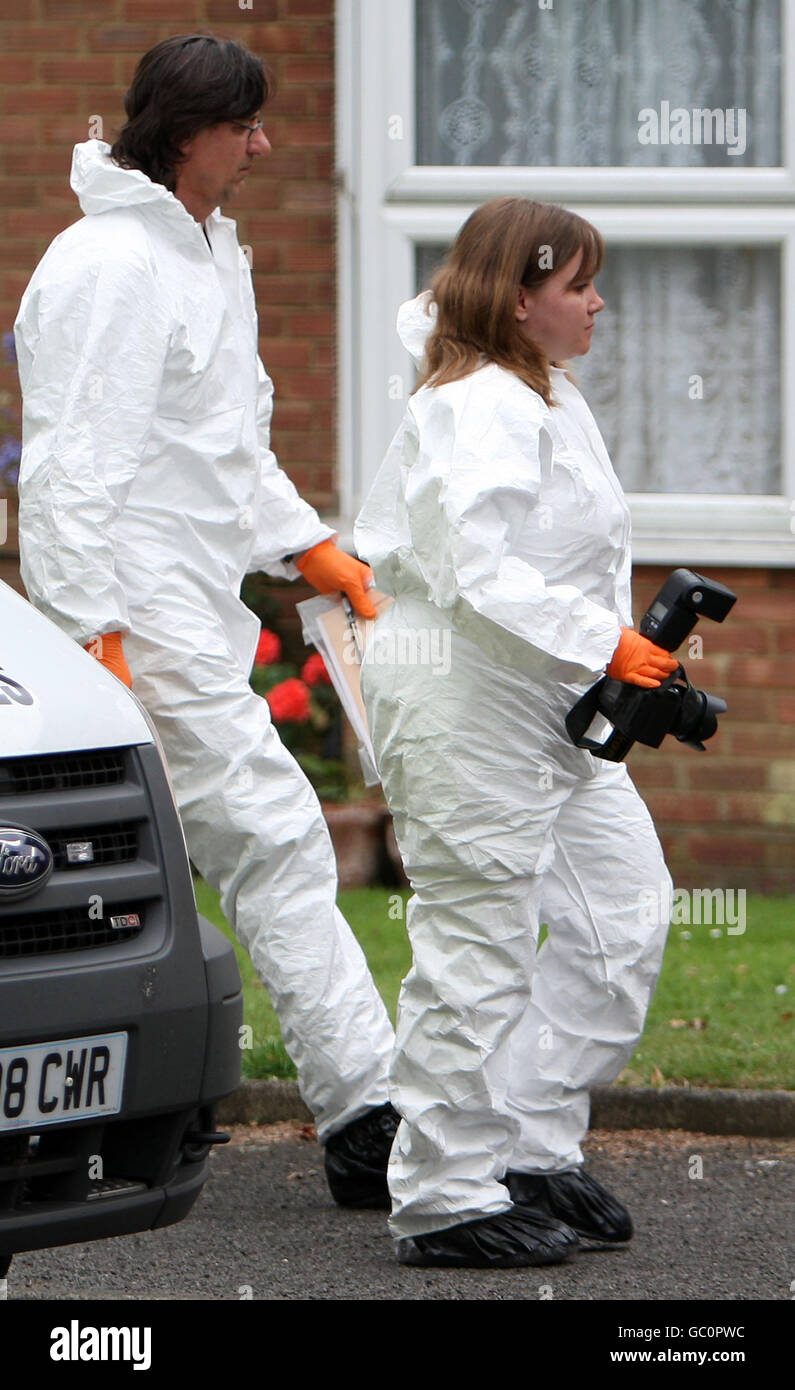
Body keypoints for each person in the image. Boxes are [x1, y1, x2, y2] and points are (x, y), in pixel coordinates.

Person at [13, 33, 397, 1207]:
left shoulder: (199, 253)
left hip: (185, 609)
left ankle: (121, 1105)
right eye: (247, 127)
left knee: (101, 882)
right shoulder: (110, 266)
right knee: (274, 838)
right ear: (191, 133)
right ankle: (369, 1117)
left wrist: (306, 542)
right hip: (144, 614)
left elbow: (218, 452)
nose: (264, 146)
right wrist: (98, 640)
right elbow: (73, 470)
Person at [354, 197, 678, 1266]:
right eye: (579, 283)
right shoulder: (480, 401)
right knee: (479, 943)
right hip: (465, 704)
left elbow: (561, 559)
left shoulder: (549, 391)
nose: (597, 302)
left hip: (552, 702)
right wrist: (609, 644)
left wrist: (615, 651)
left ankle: (530, 1145)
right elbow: (480, 569)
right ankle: (445, 1195)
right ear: (520, 294)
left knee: (620, 915)